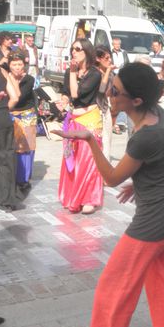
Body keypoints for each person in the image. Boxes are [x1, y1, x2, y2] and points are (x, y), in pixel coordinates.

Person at [53, 63, 164, 327]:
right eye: (110, 87)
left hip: (154, 221)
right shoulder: (160, 117)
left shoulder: (146, 135)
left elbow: (112, 178)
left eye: (115, 92)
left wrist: (90, 140)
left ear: (136, 100)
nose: (109, 95)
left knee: (112, 292)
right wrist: (143, 181)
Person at [58, 38, 103, 215]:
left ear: (87, 51)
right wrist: (63, 100)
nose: (74, 52)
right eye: (72, 49)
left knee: (88, 161)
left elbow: (77, 93)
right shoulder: (71, 71)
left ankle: (89, 199)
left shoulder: (94, 74)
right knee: (72, 160)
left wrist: (73, 72)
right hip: (73, 120)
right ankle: (73, 197)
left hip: (89, 121)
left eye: (78, 49)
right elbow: (67, 93)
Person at [7, 51, 38, 191]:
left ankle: (23, 178)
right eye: (14, 64)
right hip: (10, 114)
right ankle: (10, 175)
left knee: (26, 147)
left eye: (20, 64)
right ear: (9, 65)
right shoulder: (4, 78)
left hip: (26, 115)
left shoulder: (29, 79)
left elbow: (19, 97)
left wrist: (13, 79)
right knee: (12, 147)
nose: (17, 67)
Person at [0, 59, 22, 211]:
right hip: (3, 118)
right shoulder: (2, 71)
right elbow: (16, 97)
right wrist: (3, 108)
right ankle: (7, 200)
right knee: (5, 158)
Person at [95, 46, 116, 158]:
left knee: (108, 139)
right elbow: (102, 89)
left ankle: (105, 165)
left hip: (105, 108)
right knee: (100, 139)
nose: (110, 61)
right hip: (95, 110)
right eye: (106, 58)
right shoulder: (95, 73)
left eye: (110, 58)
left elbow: (110, 92)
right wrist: (108, 71)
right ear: (98, 59)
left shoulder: (111, 74)